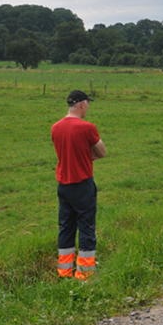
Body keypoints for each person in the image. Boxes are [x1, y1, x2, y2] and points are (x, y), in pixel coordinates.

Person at [51, 90, 107, 279]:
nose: (88, 107)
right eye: (87, 104)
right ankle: (84, 273)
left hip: (63, 185)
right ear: (82, 104)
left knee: (66, 226)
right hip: (82, 184)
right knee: (86, 227)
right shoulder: (87, 128)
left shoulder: (55, 127)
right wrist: (87, 156)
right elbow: (102, 151)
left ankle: (64, 270)